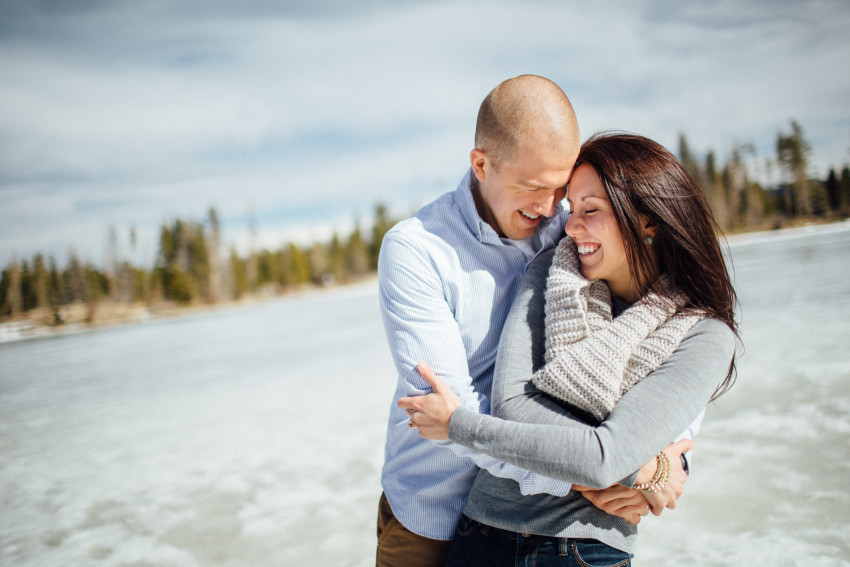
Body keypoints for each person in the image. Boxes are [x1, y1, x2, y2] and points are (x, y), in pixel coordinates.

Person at [376, 76, 693, 567]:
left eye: (559, 188)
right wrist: (611, 466)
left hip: (540, 523)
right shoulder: (417, 251)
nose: (549, 208)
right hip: (433, 513)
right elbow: (451, 410)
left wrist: (673, 454)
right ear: (481, 164)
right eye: (532, 188)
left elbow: (659, 327)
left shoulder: (571, 228)